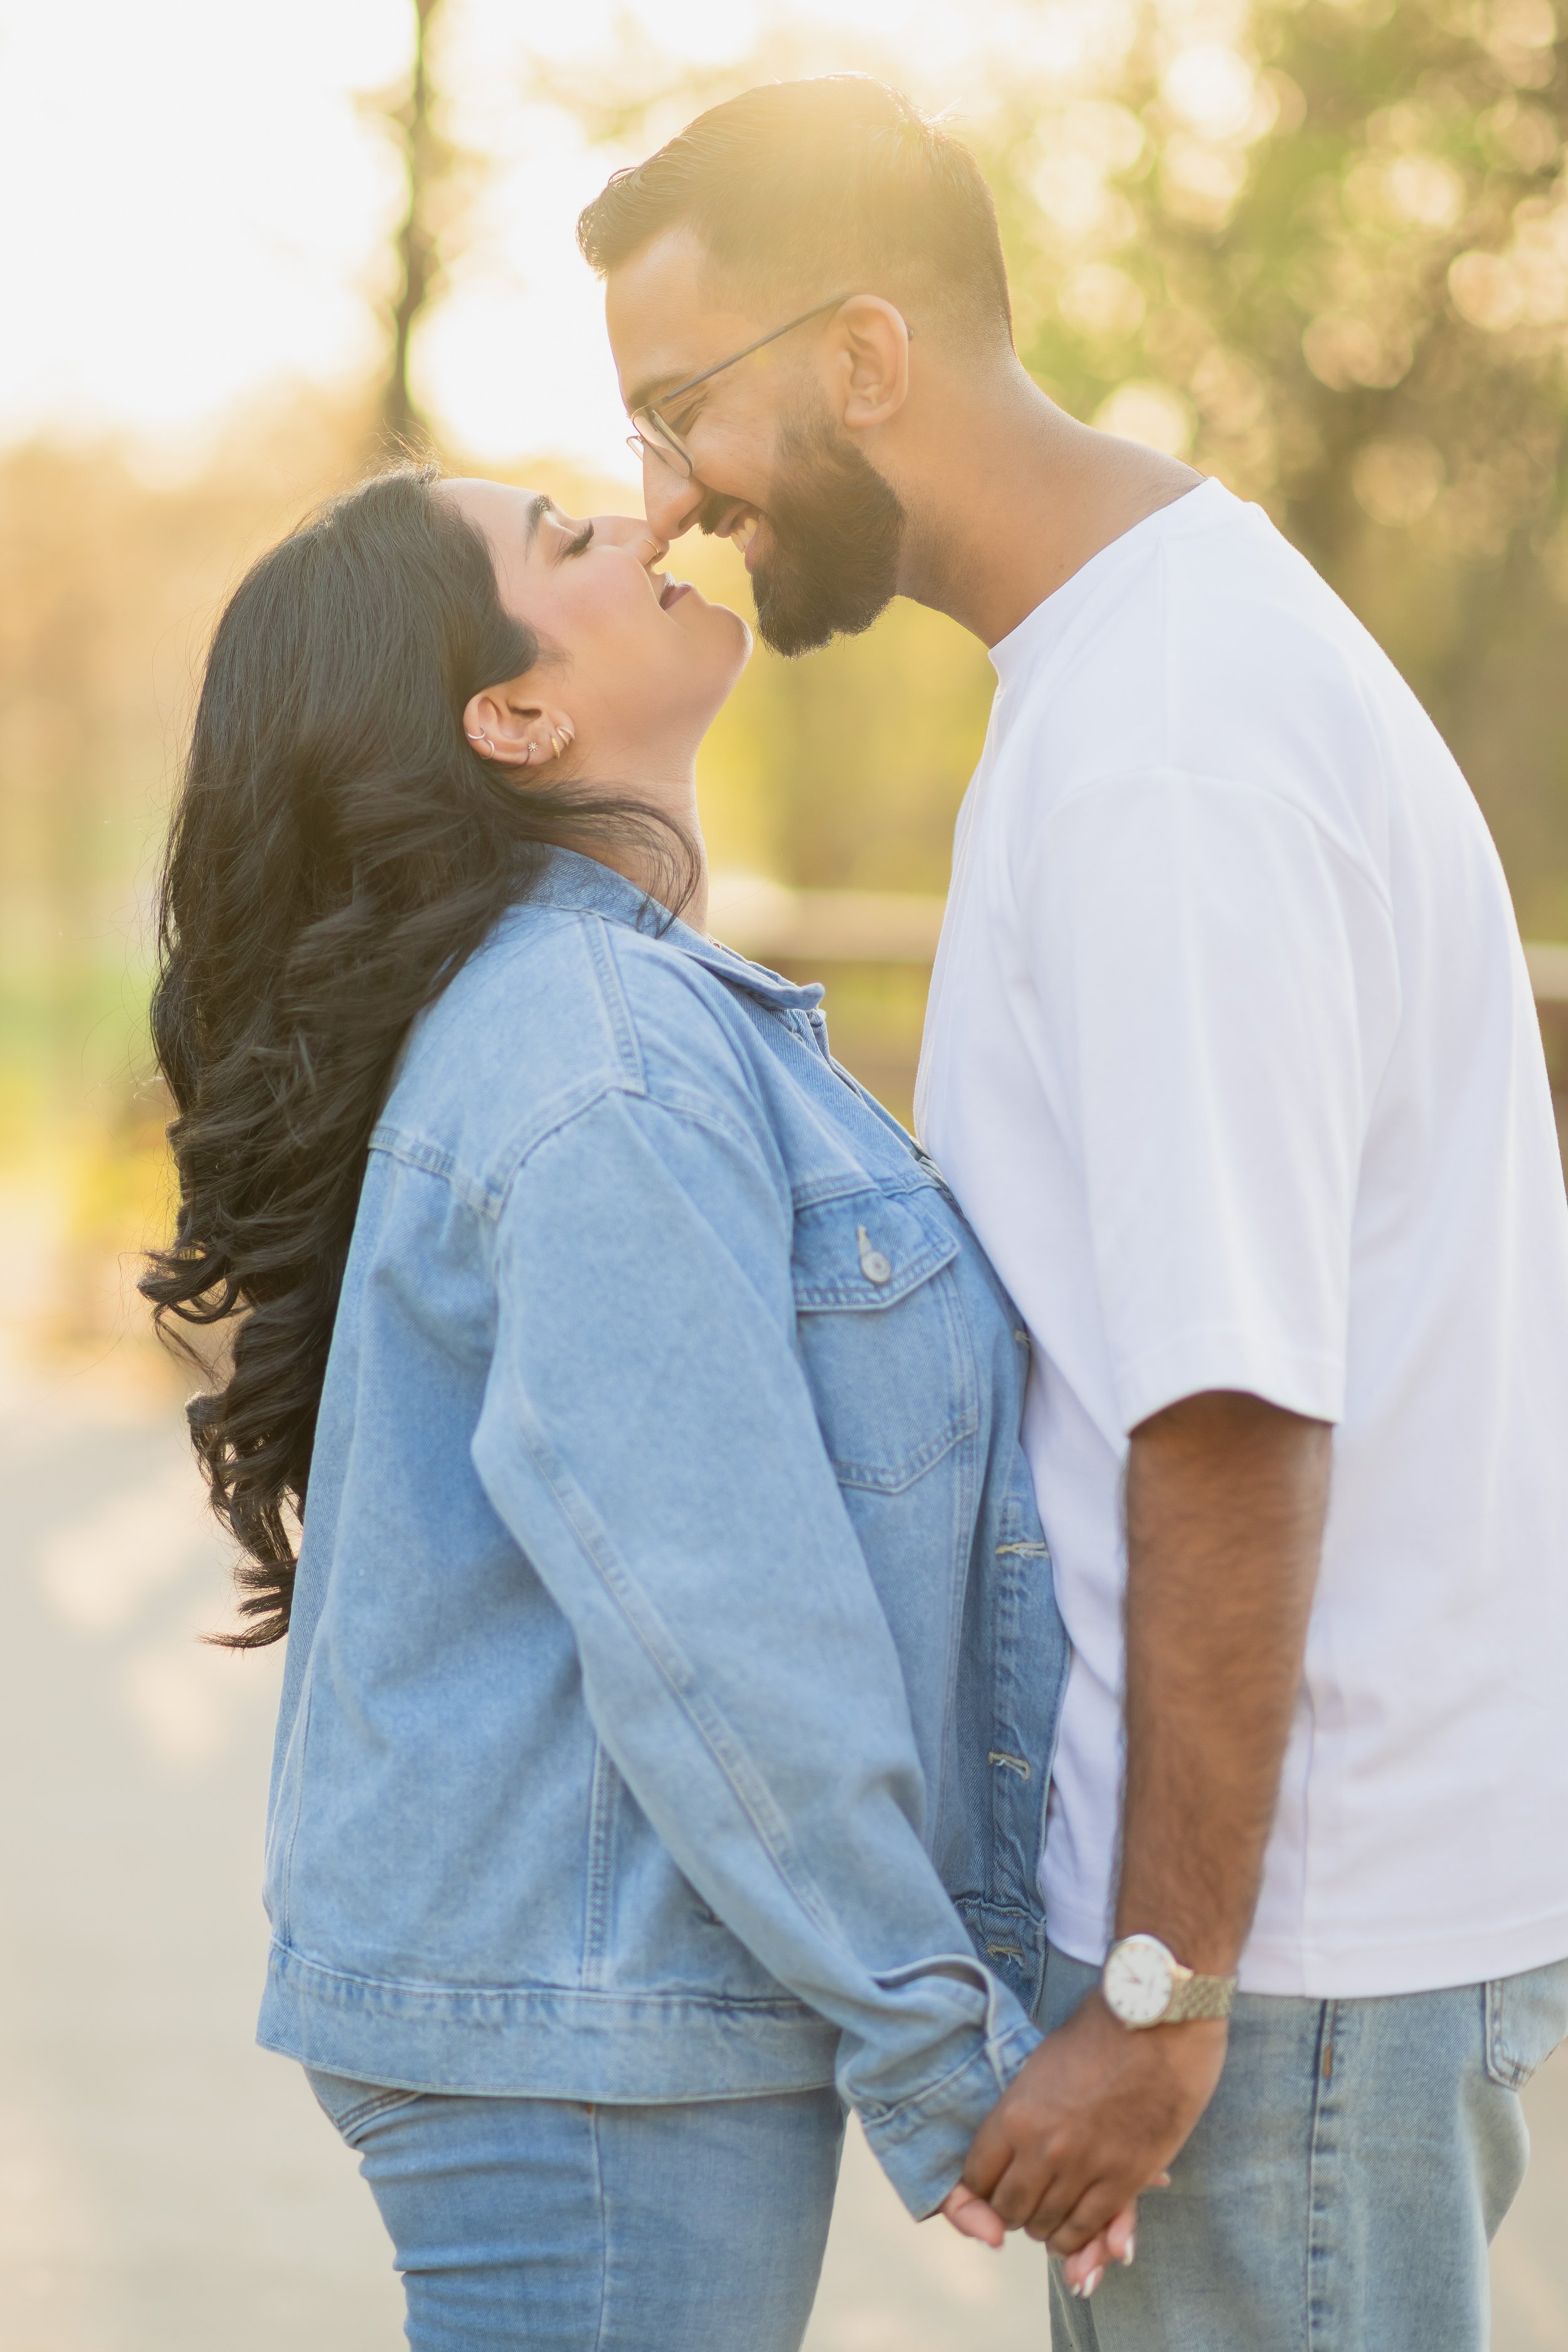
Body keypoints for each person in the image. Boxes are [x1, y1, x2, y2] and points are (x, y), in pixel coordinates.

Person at [583, 73, 1568, 2346]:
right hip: (1288, 1951)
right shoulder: (1138, 663)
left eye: (677, 410)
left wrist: (1158, 1985)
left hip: (1285, 1965)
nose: (663, 502)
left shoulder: (1166, 751)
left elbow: (1228, 1407)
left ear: (858, 359)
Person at [140, 462, 1140, 2348]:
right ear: (511, 716)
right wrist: (943, 2050)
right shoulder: (599, 1057)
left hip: (572, 2009)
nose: (639, 522)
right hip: (582, 2036)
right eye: (560, 536)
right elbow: (717, 1609)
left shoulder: (598, 1013)